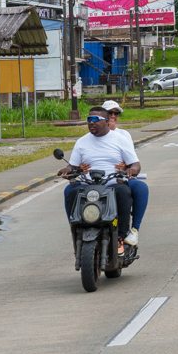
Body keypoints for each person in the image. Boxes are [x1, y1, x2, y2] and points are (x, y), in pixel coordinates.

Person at [58, 107, 139, 254]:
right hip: (88, 185)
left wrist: (131, 170)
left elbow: (135, 164)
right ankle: (76, 232)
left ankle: (121, 236)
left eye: (95, 119)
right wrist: (67, 170)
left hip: (113, 184)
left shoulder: (120, 140)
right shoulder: (82, 142)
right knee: (70, 191)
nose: (91, 123)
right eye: (89, 119)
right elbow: (73, 165)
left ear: (107, 121)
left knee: (124, 192)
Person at [103, 100, 147, 246]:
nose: (113, 116)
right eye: (110, 113)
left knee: (141, 188)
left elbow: (131, 160)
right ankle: (76, 231)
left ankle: (134, 230)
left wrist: (127, 168)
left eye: (116, 113)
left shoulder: (123, 135)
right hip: (95, 180)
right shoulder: (93, 134)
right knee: (71, 190)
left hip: (119, 178)